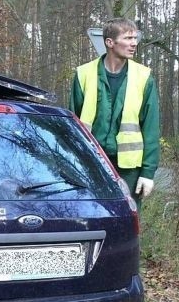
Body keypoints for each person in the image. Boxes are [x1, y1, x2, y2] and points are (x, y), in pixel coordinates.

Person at [69, 18, 160, 206]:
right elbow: (73, 125)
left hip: (129, 169)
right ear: (110, 43)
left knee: (126, 223)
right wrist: (72, 163)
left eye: (135, 38)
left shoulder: (143, 77)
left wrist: (148, 173)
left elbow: (151, 128)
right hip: (91, 162)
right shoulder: (84, 74)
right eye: (127, 38)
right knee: (91, 217)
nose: (134, 43)